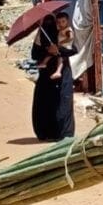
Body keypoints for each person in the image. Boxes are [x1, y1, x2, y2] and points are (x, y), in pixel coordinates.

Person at [29, 12, 77, 142]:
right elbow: (34, 54)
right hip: (46, 76)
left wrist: (58, 50)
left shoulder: (63, 33)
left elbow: (73, 50)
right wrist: (47, 50)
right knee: (45, 104)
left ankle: (64, 133)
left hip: (61, 74)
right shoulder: (41, 35)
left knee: (63, 104)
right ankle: (45, 133)